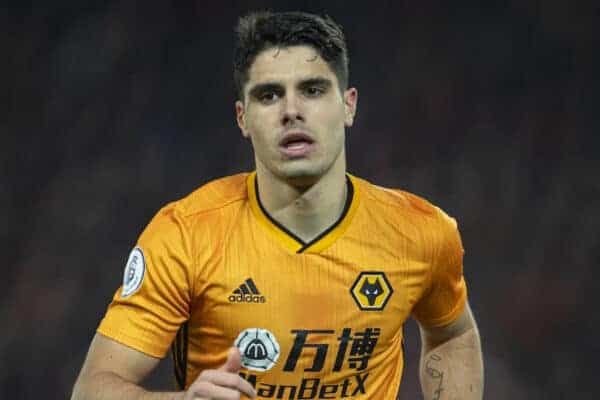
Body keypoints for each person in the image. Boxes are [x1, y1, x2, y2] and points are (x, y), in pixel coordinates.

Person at [71, 11, 483, 400]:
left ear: (348, 105)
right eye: (269, 95)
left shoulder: (421, 232)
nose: (291, 111)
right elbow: (94, 387)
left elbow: (453, 334)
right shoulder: (185, 236)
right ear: (242, 118)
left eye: (313, 89)